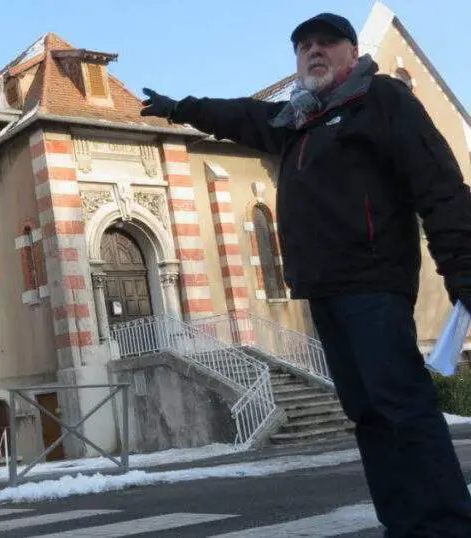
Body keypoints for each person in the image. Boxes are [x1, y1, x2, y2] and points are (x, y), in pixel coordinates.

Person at [141, 12, 471, 537]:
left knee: (402, 406)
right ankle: (404, 523)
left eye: (326, 43)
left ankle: (447, 526)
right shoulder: (297, 120)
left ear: (351, 51)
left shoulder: (381, 101)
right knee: (366, 414)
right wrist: (181, 108)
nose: (313, 52)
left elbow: (441, 186)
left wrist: (462, 271)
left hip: (374, 282)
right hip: (323, 289)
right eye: (303, 47)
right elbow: (242, 115)